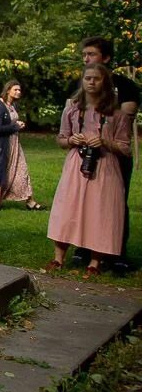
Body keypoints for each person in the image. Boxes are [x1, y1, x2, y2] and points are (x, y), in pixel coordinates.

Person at [46, 64, 131, 277]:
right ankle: (58, 258)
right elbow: (61, 138)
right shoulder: (73, 109)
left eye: (96, 79)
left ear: (105, 82)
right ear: (82, 81)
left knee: (99, 211)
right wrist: (72, 140)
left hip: (105, 165)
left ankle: (95, 261)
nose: (91, 82)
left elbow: (125, 147)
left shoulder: (117, 113)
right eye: (88, 78)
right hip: (77, 163)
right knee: (68, 208)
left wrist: (104, 141)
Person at [74, 37, 138, 273]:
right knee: (85, 201)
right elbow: (74, 111)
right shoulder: (82, 85)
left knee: (115, 202)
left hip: (115, 154)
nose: (86, 59)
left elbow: (127, 112)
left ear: (107, 58)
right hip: (86, 154)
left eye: (91, 54)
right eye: (84, 55)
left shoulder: (124, 84)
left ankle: (117, 253)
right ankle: (84, 249)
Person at [0, 80, 44, 211]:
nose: (18, 92)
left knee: (21, 170)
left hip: (14, 144)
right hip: (1, 146)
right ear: (8, 90)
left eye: (19, 90)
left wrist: (17, 125)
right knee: (0, 172)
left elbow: (9, 123)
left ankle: (29, 200)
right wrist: (15, 127)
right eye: (15, 90)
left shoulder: (12, 106)